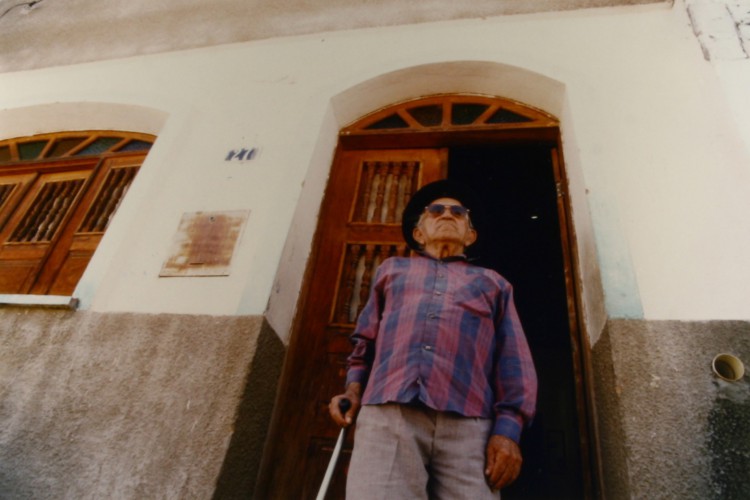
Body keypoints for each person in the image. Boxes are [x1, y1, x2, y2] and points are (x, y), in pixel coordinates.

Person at [329, 179, 537, 499]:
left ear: (470, 236)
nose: (448, 214)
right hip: (390, 414)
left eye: (458, 212)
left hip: (470, 425)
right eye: (436, 210)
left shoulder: (494, 284)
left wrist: (508, 431)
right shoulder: (391, 271)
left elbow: (514, 359)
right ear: (418, 234)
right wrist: (353, 390)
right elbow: (365, 341)